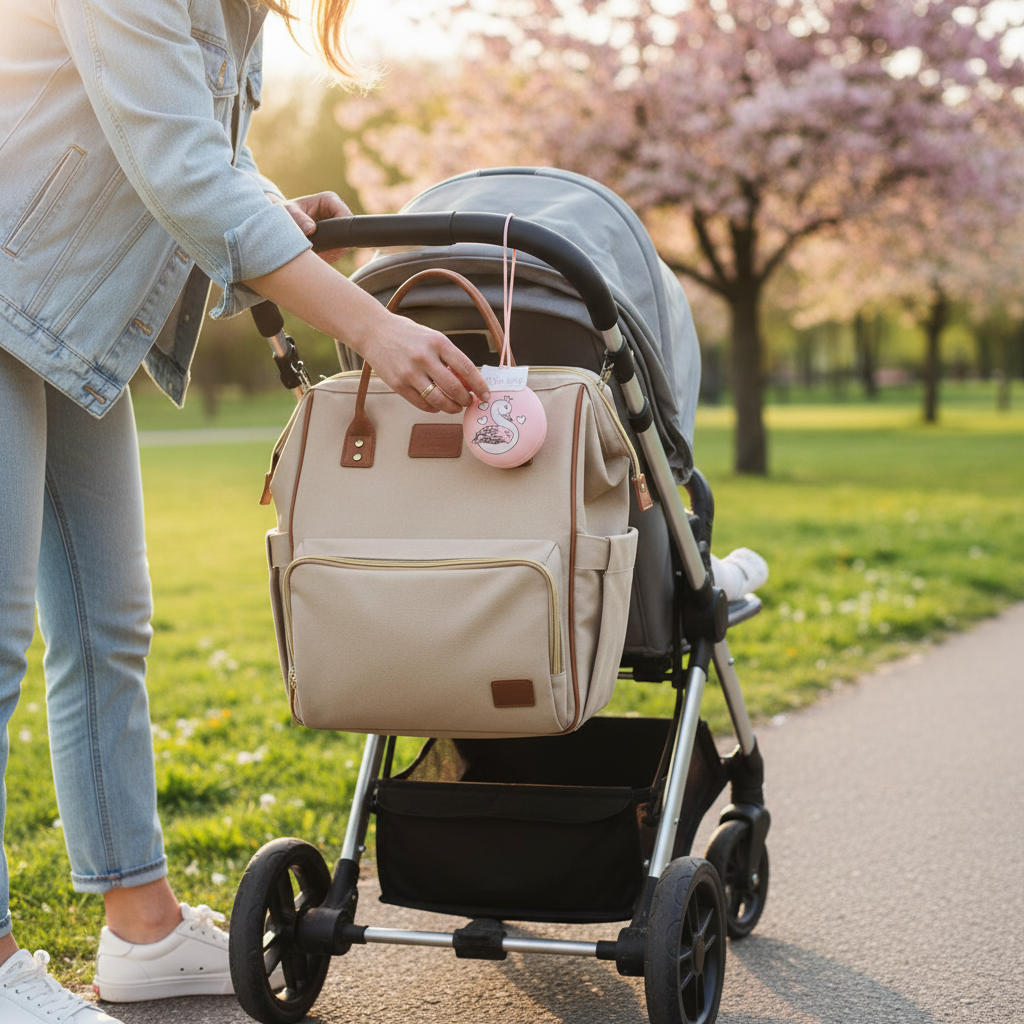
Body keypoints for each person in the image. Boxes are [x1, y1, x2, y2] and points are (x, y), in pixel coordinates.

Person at [0, 0, 489, 1020]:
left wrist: (267, 214)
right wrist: (369, 326)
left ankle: (139, 924)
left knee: (106, 627)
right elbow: (180, 173)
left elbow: (169, 197)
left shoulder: (236, 19)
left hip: (61, 321)